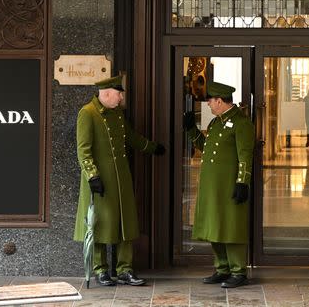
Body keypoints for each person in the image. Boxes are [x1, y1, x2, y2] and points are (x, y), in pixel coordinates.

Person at [73, 75, 165, 287]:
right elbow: (83, 150)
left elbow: (130, 137)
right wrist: (93, 176)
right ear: (106, 94)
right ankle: (101, 269)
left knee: (126, 223)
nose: (122, 97)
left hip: (121, 179)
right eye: (119, 94)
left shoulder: (117, 114)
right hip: (99, 181)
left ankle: (125, 269)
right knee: (98, 224)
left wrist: (151, 147)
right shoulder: (87, 113)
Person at [183, 81, 253, 288]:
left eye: (210, 103)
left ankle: (238, 271)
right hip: (212, 187)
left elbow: (245, 156)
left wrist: (242, 182)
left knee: (232, 228)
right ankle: (222, 269)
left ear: (220, 101)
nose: (209, 106)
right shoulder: (216, 123)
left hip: (229, 186)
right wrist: (191, 130)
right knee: (216, 227)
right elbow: (205, 147)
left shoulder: (242, 123)